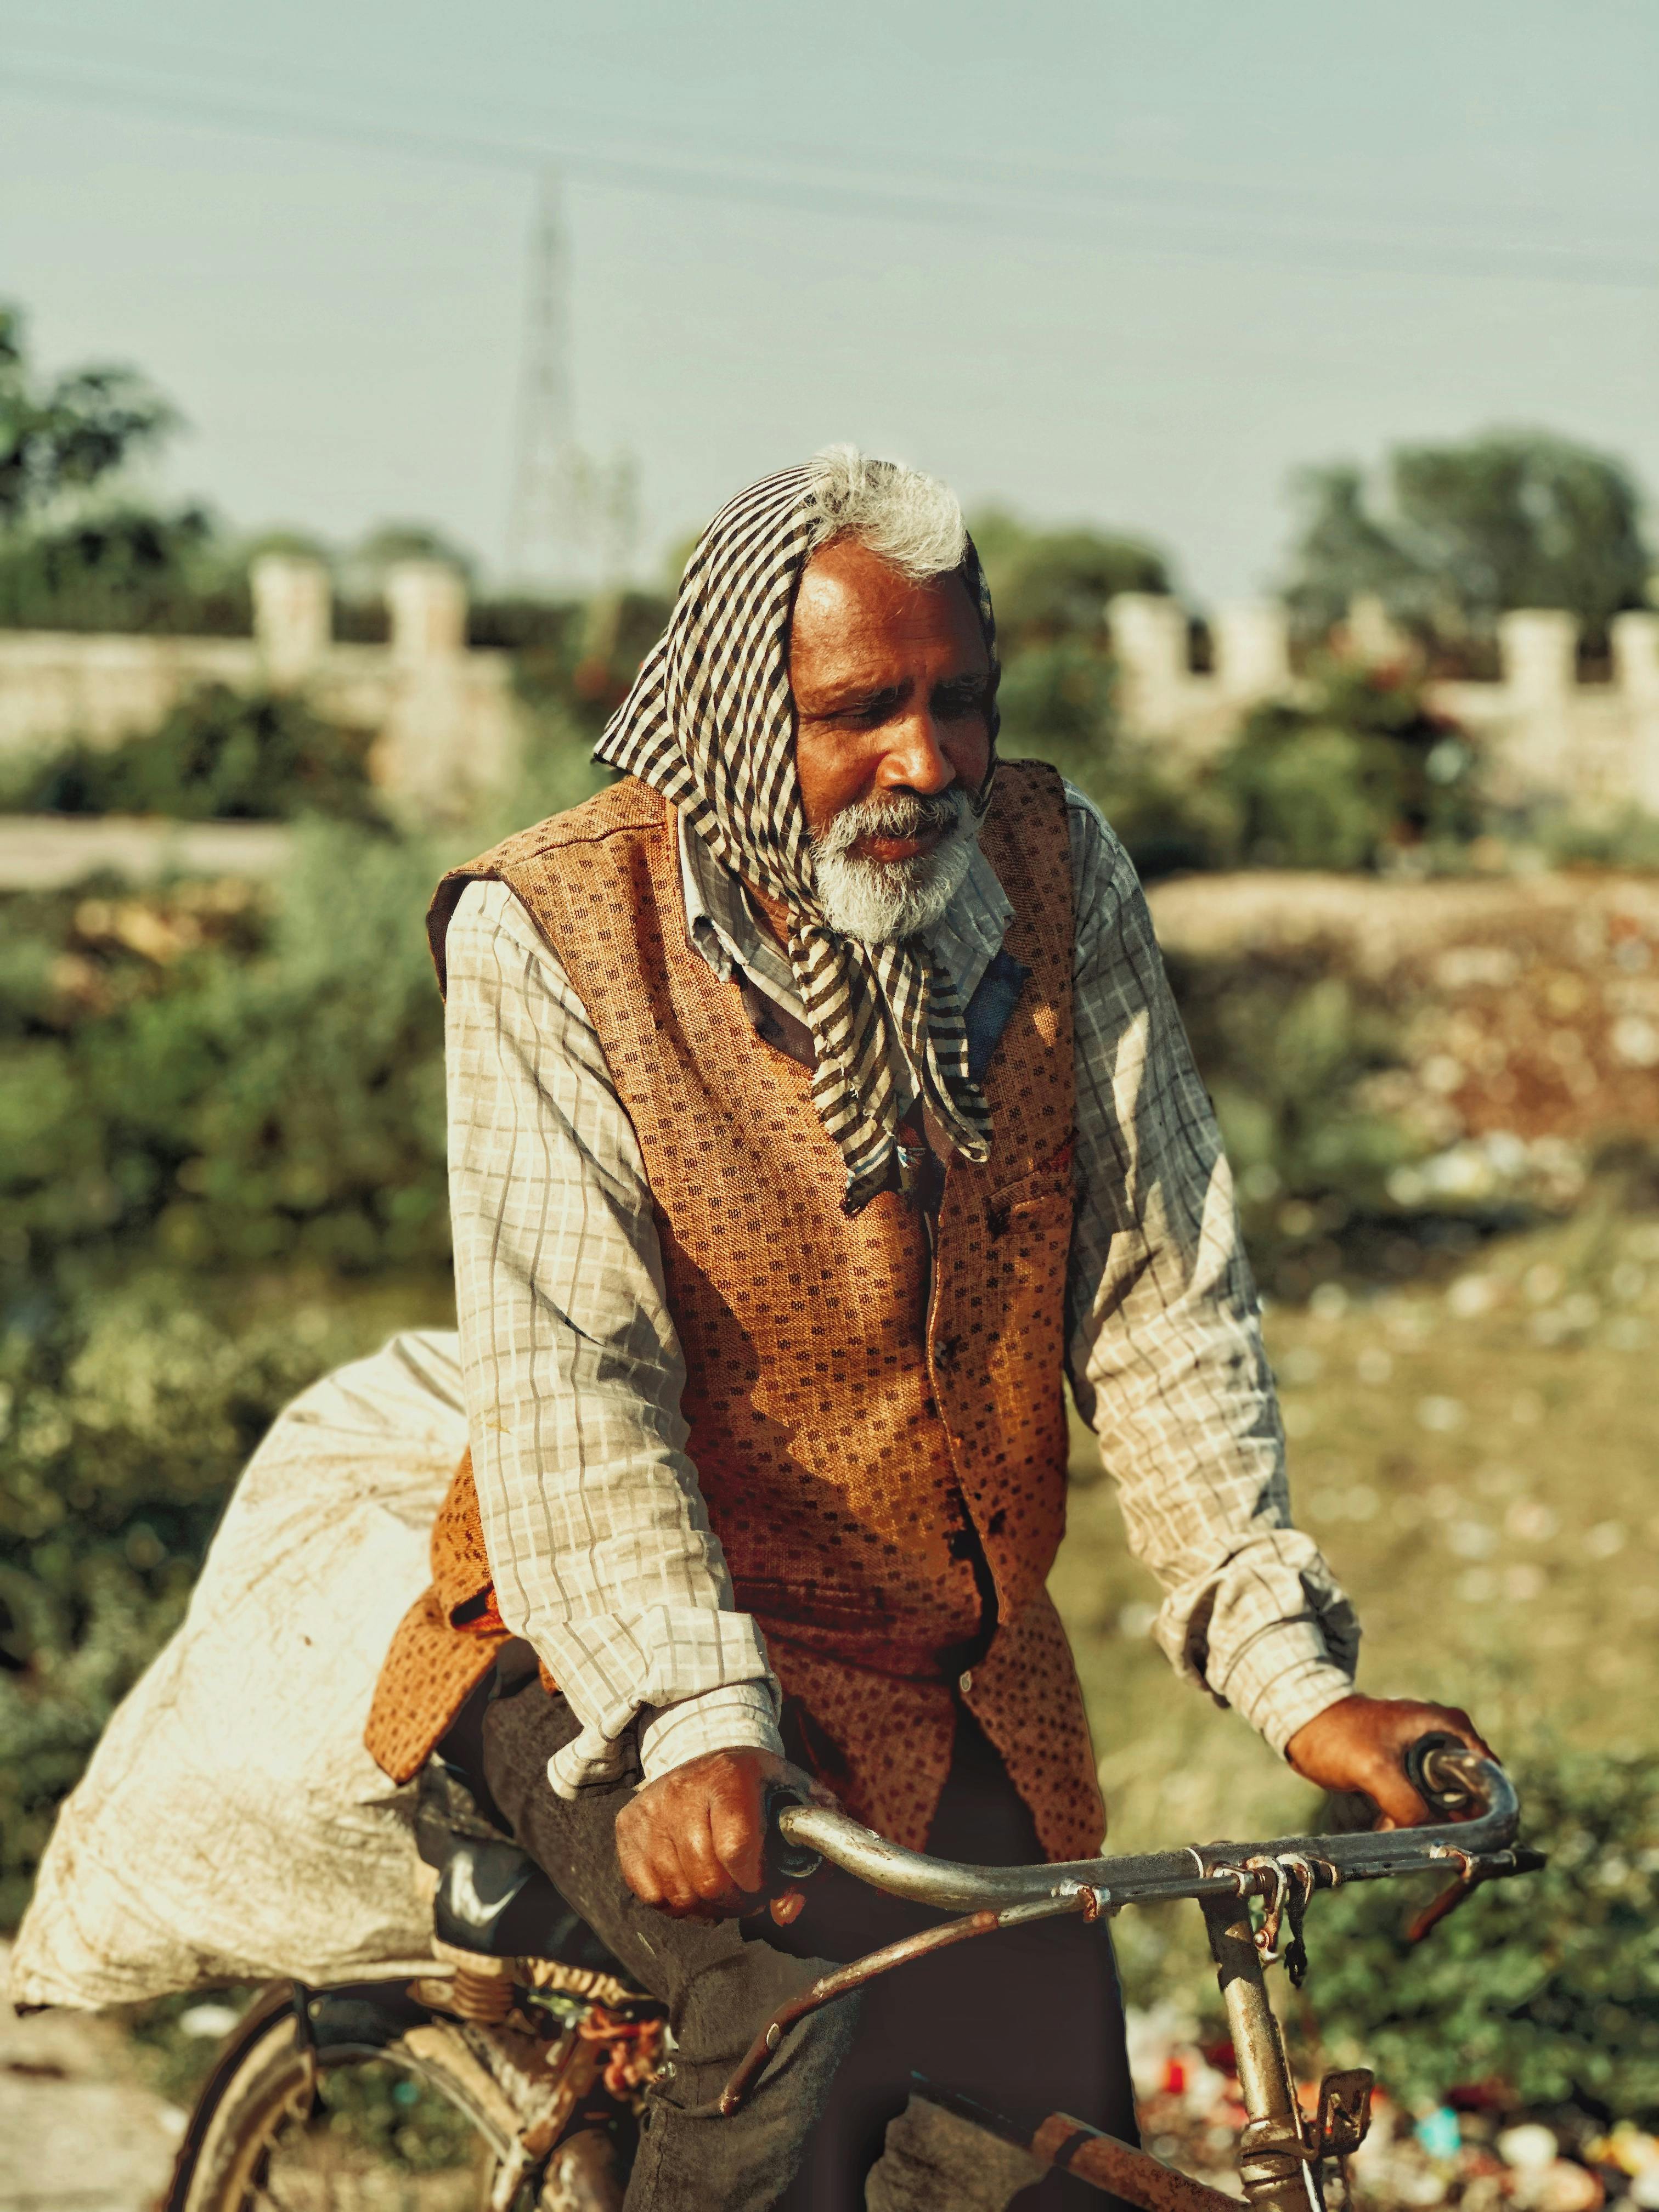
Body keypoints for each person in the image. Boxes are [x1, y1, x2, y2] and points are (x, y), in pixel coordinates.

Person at [363, 449, 1489, 2209]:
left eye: (963, 700)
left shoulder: (1055, 873)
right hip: (600, 1642)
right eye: (860, 710)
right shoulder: (557, 933)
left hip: (945, 1660)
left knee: (1057, 2151)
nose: (930, 761)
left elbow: (1160, 1298)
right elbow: (574, 1379)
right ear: (747, 714)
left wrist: (1298, 1681)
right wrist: (689, 1722)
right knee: (781, 2025)